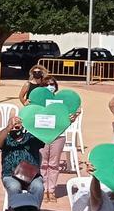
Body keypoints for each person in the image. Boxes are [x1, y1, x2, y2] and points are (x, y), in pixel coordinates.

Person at [18, 66, 76, 202]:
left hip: (58, 135)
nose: (50, 87)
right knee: (43, 163)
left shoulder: (62, 102)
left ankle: (52, 190)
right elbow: (29, 117)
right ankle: (43, 189)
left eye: (52, 85)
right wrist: (30, 107)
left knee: (54, 164)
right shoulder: (37, 103)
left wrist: (72, 118)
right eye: (47, 85)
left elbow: (67, 118)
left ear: (56, 87)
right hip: (41, 135)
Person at [0, 116, 46, 204]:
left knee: (38, 187)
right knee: (14, 187)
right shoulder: (6, 139)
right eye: (12, 126)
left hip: (32, 176)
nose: (15, 128)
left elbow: (47, 135)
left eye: (17, 126)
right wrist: (8, 128)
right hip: (10, 175)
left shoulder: (32, 138)